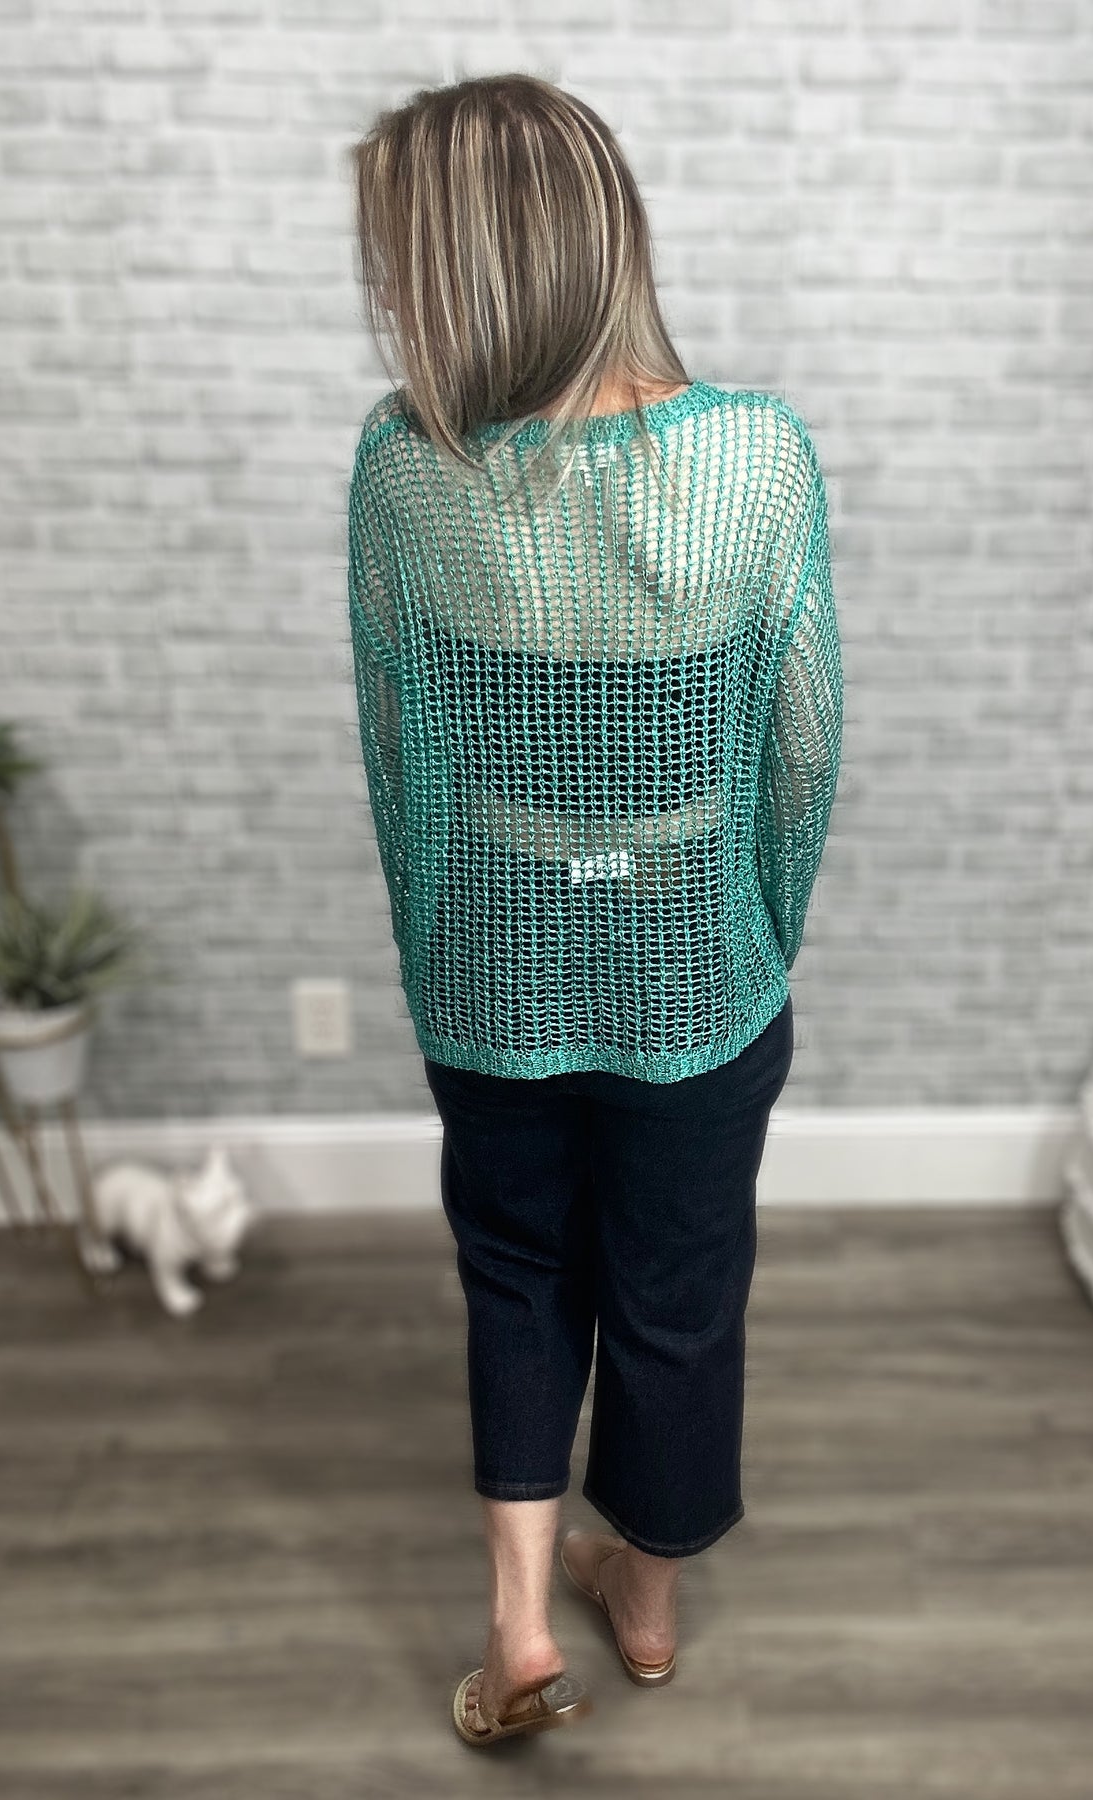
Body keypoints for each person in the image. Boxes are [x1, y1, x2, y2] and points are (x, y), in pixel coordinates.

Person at [346, 72, 844, 1748]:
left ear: (472, 262)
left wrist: (442, 958)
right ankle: (644, 1597)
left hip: (495, 968)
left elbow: (401, 756)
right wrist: (755, 938)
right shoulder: (757, 459)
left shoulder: (406, 471)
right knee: (679, 1295)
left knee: (514, 1274)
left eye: (402, 257)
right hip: (698, 968)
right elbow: (803, 749)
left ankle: (513, 1624)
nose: (391, 294)